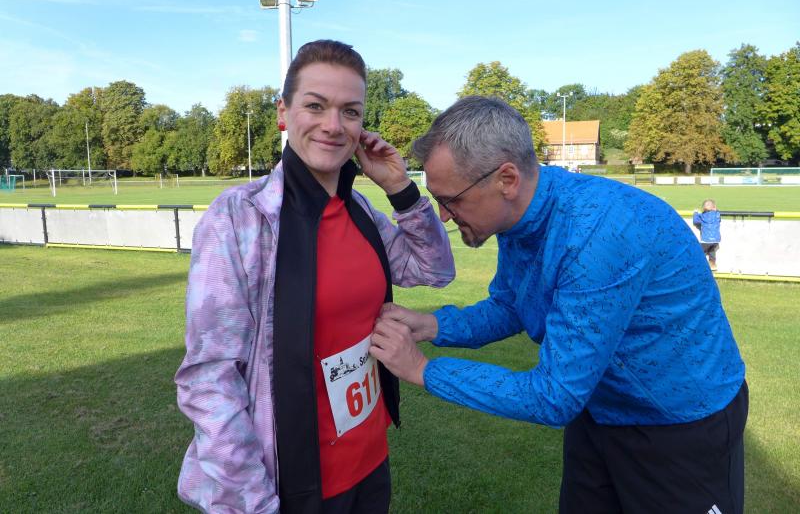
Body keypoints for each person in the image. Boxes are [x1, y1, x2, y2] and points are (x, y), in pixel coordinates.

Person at [369, 96, 747, 514]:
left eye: (451, 199)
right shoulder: (520, 217)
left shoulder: (597, 233)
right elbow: (512, 305)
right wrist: (432, 326)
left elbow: (554, 395)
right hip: (601, 411)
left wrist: (423, 370)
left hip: (681, 424)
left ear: (506, 179)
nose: (443, 215)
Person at [175, 40, 455, 514]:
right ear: (283, 112)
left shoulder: (361, 210)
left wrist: (399, 187)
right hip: (293, 483)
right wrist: (253, 503)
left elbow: (435, 269)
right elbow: (209, 377)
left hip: (370, 462)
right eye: (315, 106)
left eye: (350, 111)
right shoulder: (240, 219)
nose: (333, 125)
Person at [694, 198, 722, 270]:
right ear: (714, 207)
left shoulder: (703, 216)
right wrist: (716, 210)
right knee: (712, 251)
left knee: (700, 252)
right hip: (716, 240)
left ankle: (698, 265)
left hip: (706, 240)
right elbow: (719, 217)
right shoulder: (717, 215)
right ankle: (713, 265)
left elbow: (696, 221)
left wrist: (696, 213)